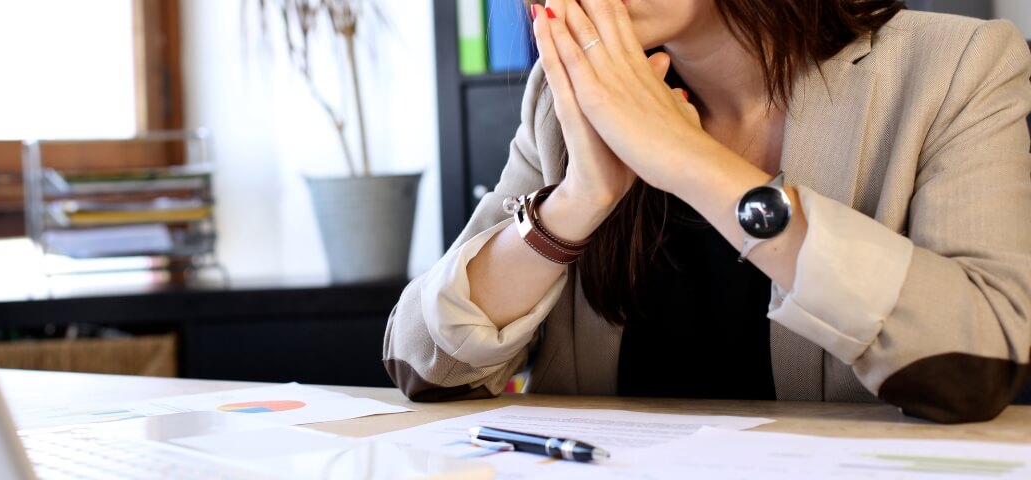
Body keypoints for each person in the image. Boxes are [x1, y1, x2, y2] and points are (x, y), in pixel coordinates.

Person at [384, 0, 1031, 424]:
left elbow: (976, 364)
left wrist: (693, 165)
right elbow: (421, 363)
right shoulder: (568, 99)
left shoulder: (955, 67)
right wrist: (577, 201)